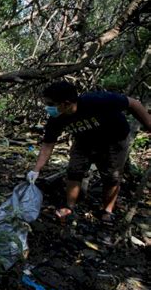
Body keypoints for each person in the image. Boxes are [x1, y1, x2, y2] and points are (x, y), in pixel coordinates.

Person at [27, 81, 151, 226]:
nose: (48, 108)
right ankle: (69, 207)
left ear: (66, 103)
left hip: (113, 139)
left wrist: (149, 125)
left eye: (50, 103)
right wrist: (36, 170)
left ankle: (107, 211)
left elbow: (133, 103)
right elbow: (48, 144)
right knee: (74, 170)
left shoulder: (97, 101)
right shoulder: (56, 119)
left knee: (111, 176)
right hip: (84, 140)